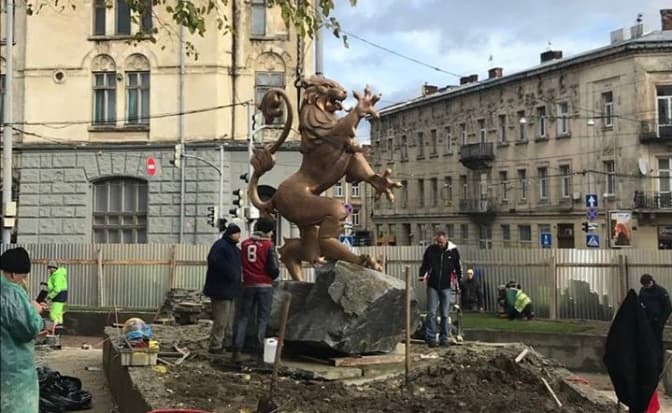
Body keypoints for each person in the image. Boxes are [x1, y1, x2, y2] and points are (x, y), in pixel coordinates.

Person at [0, 247, 46, 413]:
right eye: (24, 276)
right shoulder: (11, 293)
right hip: (12, 371)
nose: (24, 281)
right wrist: (34, 310)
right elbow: (28, 329)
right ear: (13, 274)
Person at [232, 217, 280, 362]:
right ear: (269, 231)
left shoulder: (245, 244)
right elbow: (273, 269)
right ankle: (259, 351)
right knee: (262, 318)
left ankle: (237, 350)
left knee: (243, 317)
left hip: (247, 284)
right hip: (264, 285)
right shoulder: (268, 245)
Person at [203, 223, 242, 353]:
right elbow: (216, 262)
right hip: (221, 290)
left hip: (230, 289)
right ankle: (216, 345)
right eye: (237, 233)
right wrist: (232, 274)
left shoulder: (232, 248)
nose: (239, 236)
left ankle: (226, 343)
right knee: (221, 321)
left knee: (229, 321)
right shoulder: (222, 247)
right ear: (232, 234)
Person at [419, 230, 462, 347]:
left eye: (442, 242)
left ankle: (444, 337)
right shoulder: (431, 250)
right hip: (432, 285)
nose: (440, 244)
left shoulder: (453, 251)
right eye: (438, 242)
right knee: (431, 312)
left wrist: (458, 285)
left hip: (446, 286)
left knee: (445, 313)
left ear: (446, 240)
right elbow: (424, 264)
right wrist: (422, 275)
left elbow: (458, 268)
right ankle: (431, 337)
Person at [639, 274, 672, 364]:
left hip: (657, 321)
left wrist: (661, 322)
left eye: (647, 285)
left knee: (657, 342)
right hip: (647, 321)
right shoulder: (643, 291)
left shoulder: (661, 291)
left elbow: (668, 307)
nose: (646, 287)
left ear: (651, 282)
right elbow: (640, 303)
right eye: (644, 285)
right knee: (646, 341)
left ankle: (658, 363)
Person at [46, 260, 68, 333]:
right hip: (61, 295)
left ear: (54, 268)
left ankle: (54, 330)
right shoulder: (56, 274)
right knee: (58, 313)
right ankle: (58, 330)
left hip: (58, 296)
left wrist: (50, 296)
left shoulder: (57, 275)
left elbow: (57, 289)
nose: (49, 270)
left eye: (50, 268)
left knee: (53, 314)